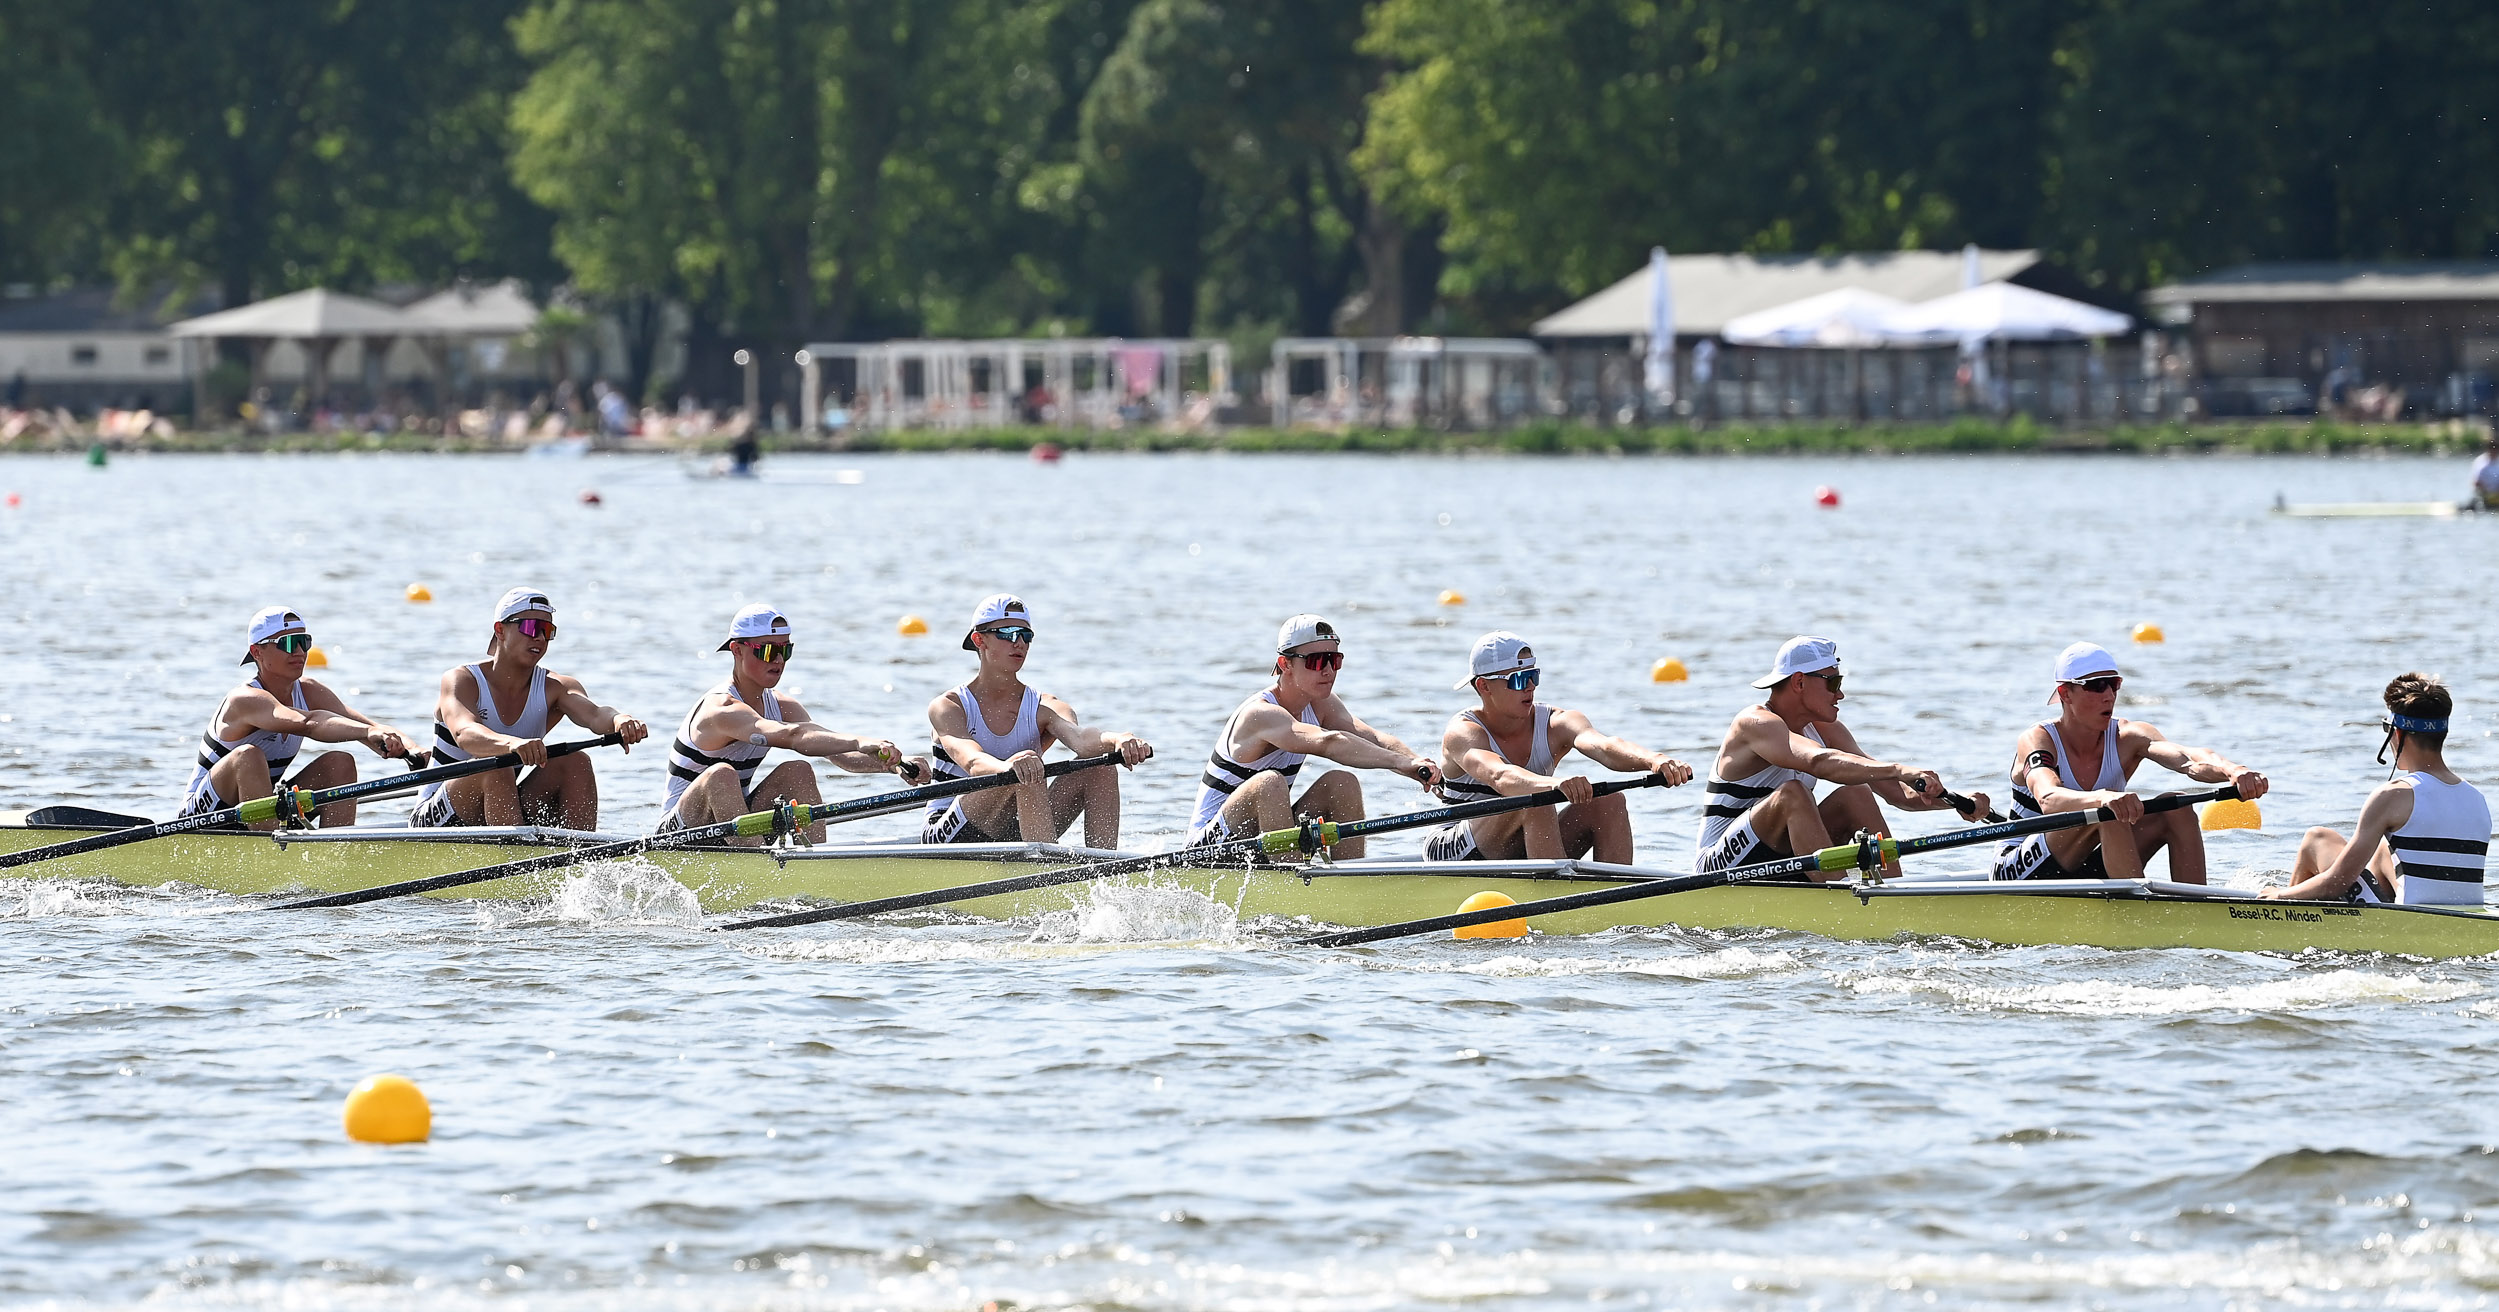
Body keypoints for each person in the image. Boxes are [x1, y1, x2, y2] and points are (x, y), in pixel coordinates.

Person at [1694, 636, 1973, 880]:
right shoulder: (1754, 723)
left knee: (1857, 793)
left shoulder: (1826, 729)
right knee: (1793, 794)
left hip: (1779, 854)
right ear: (1799, 681)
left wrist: (1959, 801)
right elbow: (1819, 762)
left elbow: (1896, 793)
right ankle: (1841, 896)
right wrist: (1899, 768)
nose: (1840, 694)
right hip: (1720, 866)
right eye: (1833, 682)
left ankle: (1892, 895)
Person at [1991, 641, 2268, 884]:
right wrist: (2104, 797)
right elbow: (2049, 798)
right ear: (2065, 694)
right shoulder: (2038, 739)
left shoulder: (2128, 736)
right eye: (2096, 686)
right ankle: (2139, 912)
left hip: (2091, 856)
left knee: (2177, 808)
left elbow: (2188, 759)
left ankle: (2199, 911)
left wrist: (2234, 771)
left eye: (2114, 684)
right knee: (2108, 811)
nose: (2109, 695)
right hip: (2020, 868)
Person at [659, 604, 925, 845]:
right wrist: (860, 739)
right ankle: (754, 871)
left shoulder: (782, 706)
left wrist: (896, 763)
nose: (778, 660)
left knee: (798, 771)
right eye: (767, 650)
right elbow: (795, 737)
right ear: (737, 650)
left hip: (729, 826)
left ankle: (815, 869)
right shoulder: (721, 709)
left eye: (785, 650)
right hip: (678, 833)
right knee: (721, 775)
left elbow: (841, 756)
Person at [1184, 615, 1443, 858]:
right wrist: (1399, 763)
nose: (1328, 670)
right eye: (1316, 661)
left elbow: (1374, 739)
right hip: (1209, 848)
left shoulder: (1321, 703)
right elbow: (1329, 742)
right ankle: (1291, 883)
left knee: (1342, 784)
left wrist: (1420, 765)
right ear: (1286, 664)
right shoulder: (1260, 714)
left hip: (1262, 838)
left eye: (1334, 660)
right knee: (1270, 784)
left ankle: (1351, 882)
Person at [1425, 632, 1692, 863]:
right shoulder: (1463, 731)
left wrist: (1654, 760)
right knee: (1537, 797)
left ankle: (1616, 902)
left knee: (1609, 801)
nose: (1529, 687)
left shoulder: (1556, 723)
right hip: (1453, 847)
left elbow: (1604, 745)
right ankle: (1557, 903)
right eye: (1518, 680)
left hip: (1521, 837)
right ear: (1484, 686)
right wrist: (1555, 785)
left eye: (1533, 676)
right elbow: (1500, 776)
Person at [919, 594, 1154, 848]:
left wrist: (1118, 739)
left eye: (1026, 635)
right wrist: (1012, 766)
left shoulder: (1045, 706)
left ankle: (1102, 878)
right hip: (947, 832)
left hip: (1019, 818)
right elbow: (973, 762)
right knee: (1027, 768)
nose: (1019, 643)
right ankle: (1045, 880)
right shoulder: (949, 706)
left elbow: (1083, 741)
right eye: (1007, 633)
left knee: (1100, 767)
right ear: (979, 640)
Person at [410, 587, 650, 830]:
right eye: (531, 628)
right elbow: (464, 733)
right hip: (436, 815)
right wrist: (511, 744)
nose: (539, 638)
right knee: (498, 764)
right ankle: (513, 859)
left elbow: (596, 715)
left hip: (498, 805)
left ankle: (578, 861)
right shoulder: (462, 680)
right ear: (500, 630)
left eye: (547, 631)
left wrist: (620, 719)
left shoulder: (556, 687)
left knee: (576, 762)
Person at [177, 606, 416, 829]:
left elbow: (370, 727)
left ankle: (336, 857)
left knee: (339, 764)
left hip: (258, 811)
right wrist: (367, 733)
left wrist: (415, 752)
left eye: (304, 642)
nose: (300, 652)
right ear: (257, 651)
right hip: (202, 819)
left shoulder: (309, 691)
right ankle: (270, 857)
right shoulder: (244, 699)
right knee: (247, 756)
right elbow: (308, 724)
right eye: (289, 643)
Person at [2266, 673, 2488, 904]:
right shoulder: (2476, 797)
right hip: (2464, 922)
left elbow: (2335, 884)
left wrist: (2278, 894)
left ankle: (2282, 917)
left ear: (2398, 732)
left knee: (2317, 838)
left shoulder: (2393, 795)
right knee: (2384, 849)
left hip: (2413, 924)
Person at [2471, 428, 2499, 510]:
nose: (2494, 452)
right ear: (2488, 450)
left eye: (2496, 450)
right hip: (2484, 496)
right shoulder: (2481, 463)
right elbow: (2476, 483)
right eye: (2492, 450)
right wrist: (2488, 494)